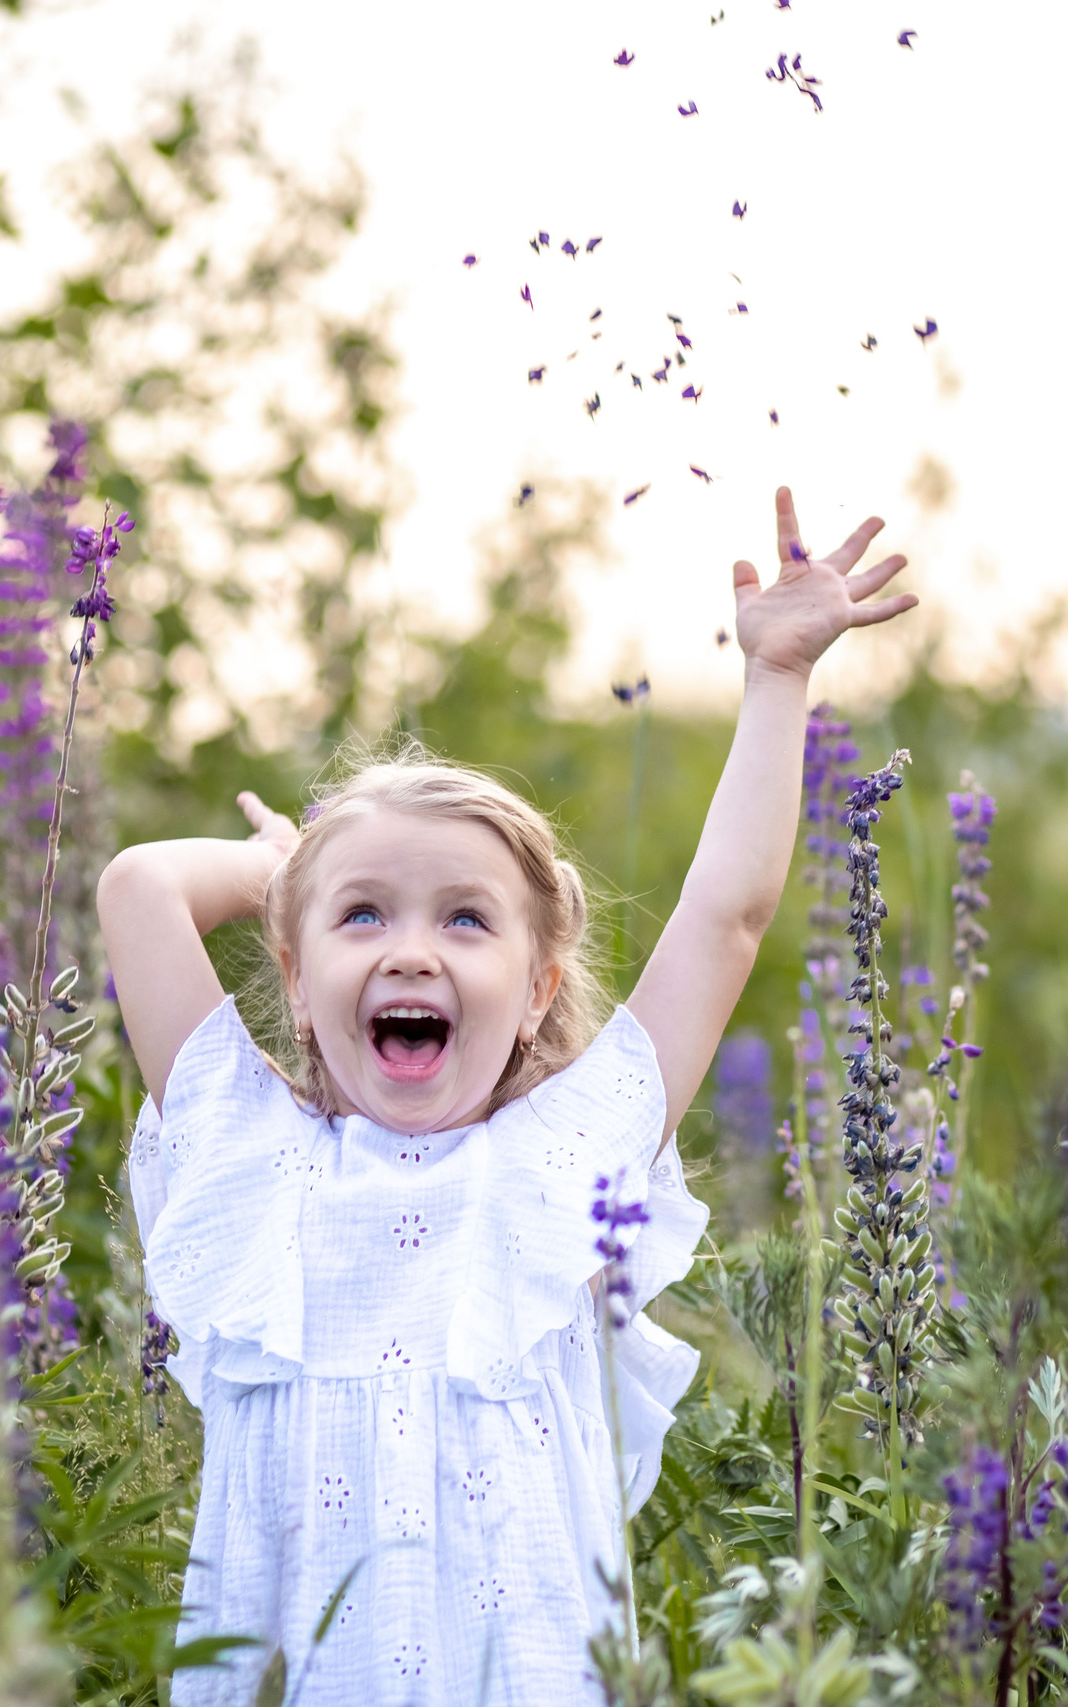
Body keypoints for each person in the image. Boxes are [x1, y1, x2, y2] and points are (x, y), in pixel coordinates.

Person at [98, 488, 914, 1701]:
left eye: (464, 919)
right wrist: (282, 867)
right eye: (362, 913)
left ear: (536, 989)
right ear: (292, 968)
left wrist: (776, 680)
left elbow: (727, 921)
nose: (411, 951)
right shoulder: (248, 1153)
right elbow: (136, 889)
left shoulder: (564, 1159)